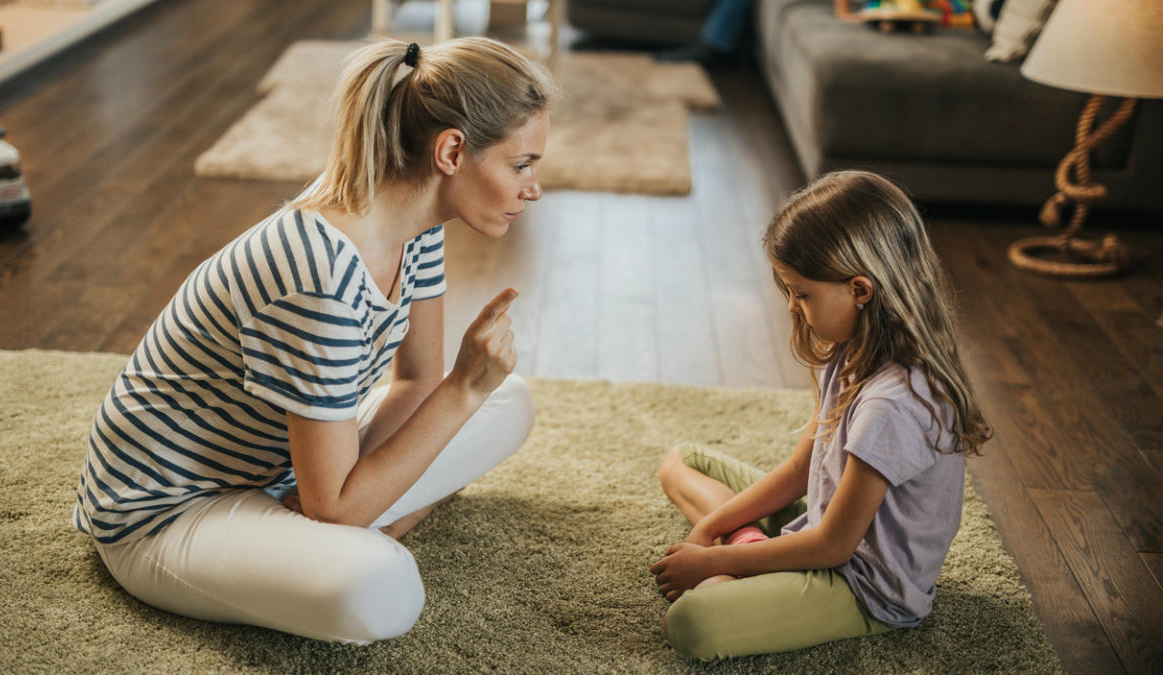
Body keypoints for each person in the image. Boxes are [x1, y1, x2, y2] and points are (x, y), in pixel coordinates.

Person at [72, 37, 558, 645]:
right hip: (167, 510)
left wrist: (456, 396)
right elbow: (337, 502)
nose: (534, 188)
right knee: (383, 589)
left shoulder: (415, 224)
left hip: (282, 470)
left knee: (509, 400)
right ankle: (353, 535)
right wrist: (463, 390)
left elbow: (416, 382)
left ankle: (327, 530)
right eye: (522, 164)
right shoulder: (319, 275)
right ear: (452, 151)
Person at [649, 170, 992, 660]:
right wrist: (707, 537)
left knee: (689, 623)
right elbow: (797, 472)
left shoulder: (893, 403)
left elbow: (834, 547)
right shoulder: (850, 351)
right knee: (682, 462)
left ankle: (741, 562)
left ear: (860, 290)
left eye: (801, 293)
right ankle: (747, 546)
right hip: (822, 525)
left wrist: (715, 563)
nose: (791, 306)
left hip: (864, 586)